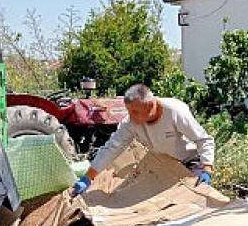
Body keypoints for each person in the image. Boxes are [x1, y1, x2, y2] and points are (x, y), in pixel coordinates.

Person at [71, 84, 215, 196]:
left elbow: (203, 139)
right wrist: (88, 178)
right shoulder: (130, 123)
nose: (130, 116)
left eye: (135, 112)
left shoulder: (175, 112)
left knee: (195, 198)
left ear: (150, 106)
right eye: (129, 111)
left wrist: (207, 169)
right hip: (164, 163)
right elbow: (112, 148)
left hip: (191, 162)